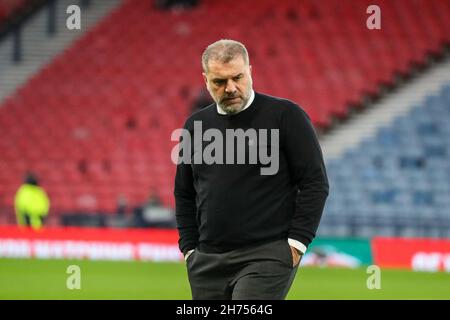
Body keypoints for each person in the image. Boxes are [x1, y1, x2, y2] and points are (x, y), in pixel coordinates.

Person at [174, 39, 329, 299]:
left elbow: (315, 182)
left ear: (250, 71)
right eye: (219, 82)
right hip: (207, 260)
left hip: (266, 255)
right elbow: (184, 192)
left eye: (238, 77)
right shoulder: (195, 125)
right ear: (205, 80)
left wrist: (297, 243)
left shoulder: (286, 116)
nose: (231, 88)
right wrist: (190, 249)